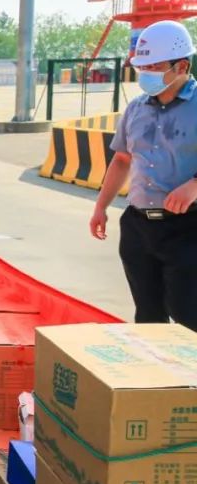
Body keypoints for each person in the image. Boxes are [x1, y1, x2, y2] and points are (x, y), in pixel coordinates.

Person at [91, 19, 197, 331]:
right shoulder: (136, 109)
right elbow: (122, 160)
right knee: (148, 318)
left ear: (182, 66)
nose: (146, 73)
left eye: (154, 66)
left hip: (187, 228)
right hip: (138, 227)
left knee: (187, 316)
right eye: (142, 67)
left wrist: (194, 185)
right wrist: (101, 207)